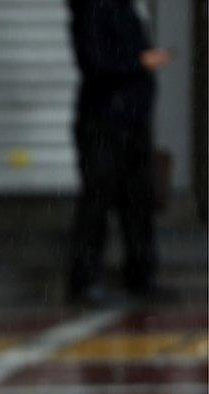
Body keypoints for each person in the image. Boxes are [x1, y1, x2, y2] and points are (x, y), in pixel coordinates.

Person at [66, 0, 173, 304]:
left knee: (138, 200)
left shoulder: (124, 8)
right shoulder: (93, 9)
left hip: (131, 118)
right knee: (97, 201)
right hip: (105, 120)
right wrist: (140, 63)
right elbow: (95, 63)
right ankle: (84, 280)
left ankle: (141, 276)